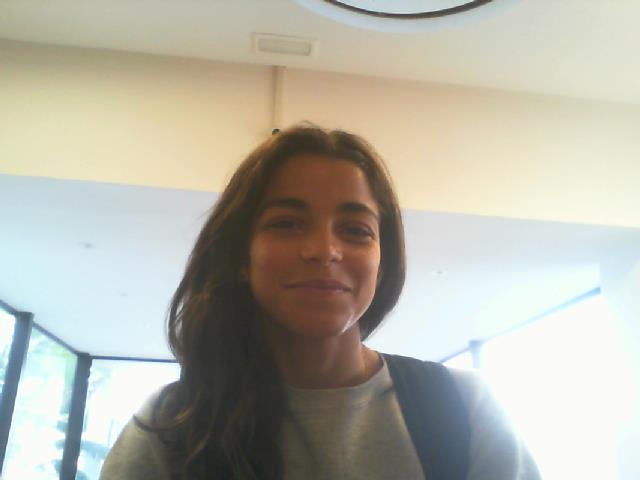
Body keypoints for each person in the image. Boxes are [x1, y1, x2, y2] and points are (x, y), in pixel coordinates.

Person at [100, 125, 540, 480]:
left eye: (356, 230)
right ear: (240, 257)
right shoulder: (172, 425)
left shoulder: (462, 408)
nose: (325, 251)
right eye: (287, 223)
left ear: (382, 262)